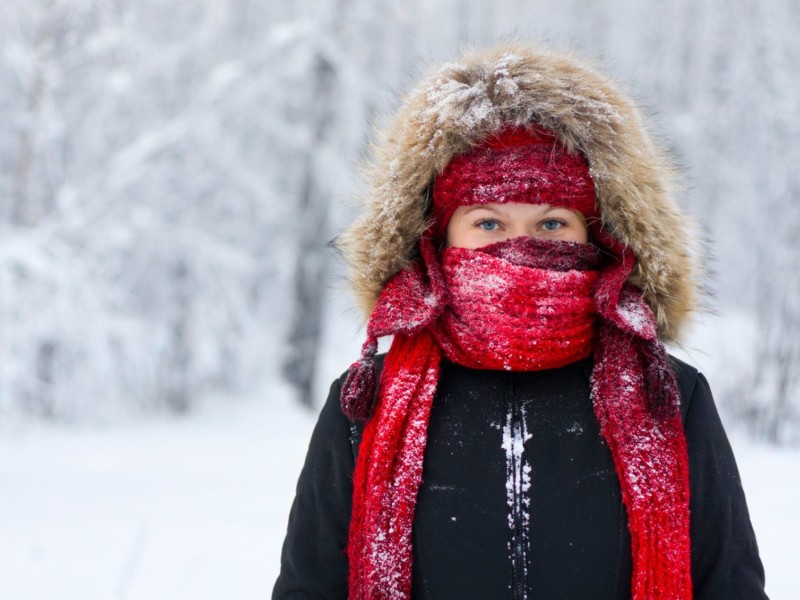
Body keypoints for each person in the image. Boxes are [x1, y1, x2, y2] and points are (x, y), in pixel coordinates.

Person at [272, 40, 768, 600]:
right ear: (436, 238)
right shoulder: (367, 403)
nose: (520, 247)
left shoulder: (669, 396)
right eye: (488, 223)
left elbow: (730, 586)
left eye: (552, 224)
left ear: (597, 237)